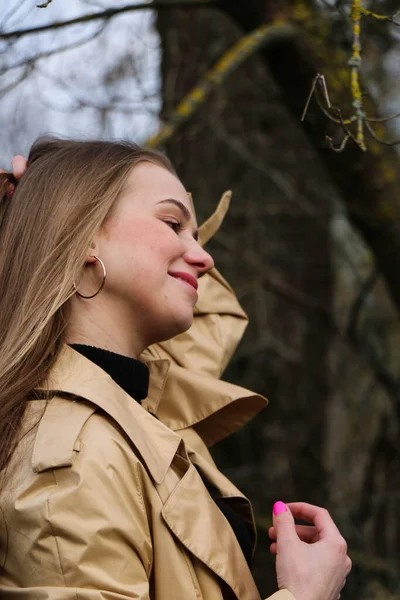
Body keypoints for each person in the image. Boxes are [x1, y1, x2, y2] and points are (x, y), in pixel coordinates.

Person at [0, 138, 351, 600]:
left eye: (197, 237)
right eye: (173, 223)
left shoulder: (138, 398)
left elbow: (211, 315)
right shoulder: (72, 463)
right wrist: (307, 595)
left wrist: (27, 214)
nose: (205, 259)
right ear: (80, 233)